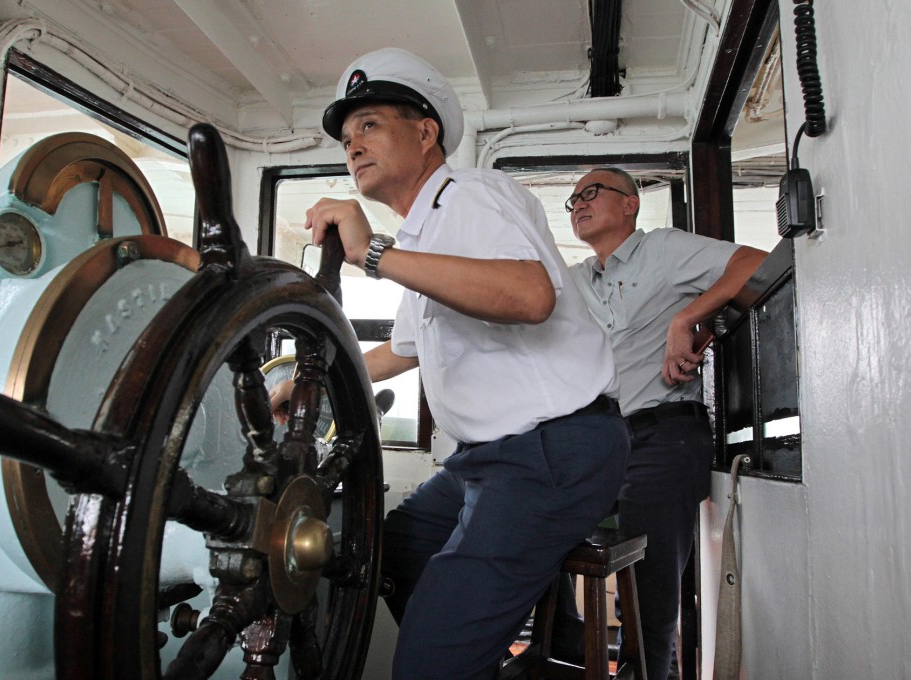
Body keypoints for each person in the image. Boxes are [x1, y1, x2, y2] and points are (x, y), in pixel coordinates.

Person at [272, 48, 629, 679]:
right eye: (347, 136)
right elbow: (399, 352)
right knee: (393, 553)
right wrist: (314, 382)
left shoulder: (467, 194)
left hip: (551, 450)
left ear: (425, 132)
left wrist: (370, 253)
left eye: (370, 125)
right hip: (486, 461)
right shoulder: (424, 241)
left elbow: (529, 296)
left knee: (429, 662)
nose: (353, 145)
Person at [563, 167, 768, 680]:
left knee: (646, 590)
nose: (578, 204)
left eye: (592, 193)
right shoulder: (574, 280)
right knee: (533, 529)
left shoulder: (664, 249)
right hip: (600, 437)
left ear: (630, 204)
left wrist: (686, 318)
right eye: (571, 201)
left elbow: (755, 264)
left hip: (665, 433)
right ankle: (564, 661)